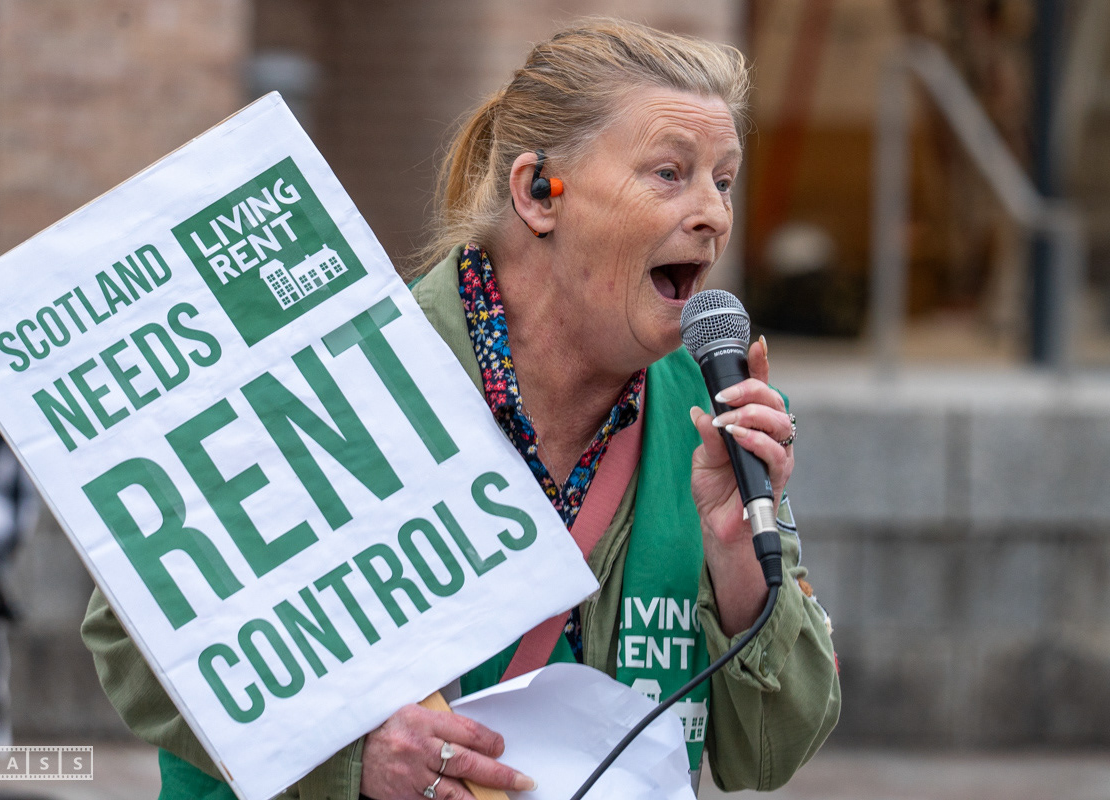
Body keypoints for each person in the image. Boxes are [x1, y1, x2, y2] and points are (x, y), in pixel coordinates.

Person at [82, 18, 840, 799]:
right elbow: (134, 636)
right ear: (537, 193)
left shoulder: (715, 419)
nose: (713, 214)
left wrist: (740, 561)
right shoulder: (345, 370)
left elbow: (769, 753)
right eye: (669, 173)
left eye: (724, 181)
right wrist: (349, 753)